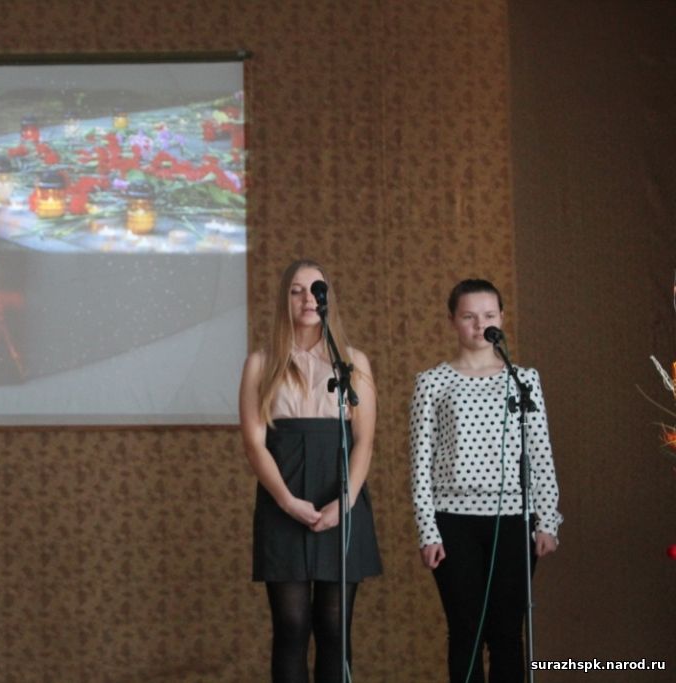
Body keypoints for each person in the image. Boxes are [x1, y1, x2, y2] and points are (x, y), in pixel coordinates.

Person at [409, 278, 562, 683]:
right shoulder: (432, 382)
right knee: (466, 631)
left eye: (489, 316)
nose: (480, 326)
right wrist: (428, 530)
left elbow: (540, 453)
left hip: (514, 519)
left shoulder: (524, 380)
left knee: (507, 633)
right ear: (452, 321)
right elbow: (420, 462)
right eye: (469, 317)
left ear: (501, 319)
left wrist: (547, 520)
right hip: (453, 520)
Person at [240, 259, 382, 683]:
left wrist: (345, 502)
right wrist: (286, 501)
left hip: (340, 499)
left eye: (315, 290)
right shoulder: (261, 363)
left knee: (335, 629)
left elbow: (364, 441)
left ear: (328, 298)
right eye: (296, 290)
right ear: (284, 299)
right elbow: (254, 443)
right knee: (291, 628)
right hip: (284, 500)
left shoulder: (353, 361)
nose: (307, 299)